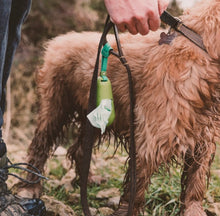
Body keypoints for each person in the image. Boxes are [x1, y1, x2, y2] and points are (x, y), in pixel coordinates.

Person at [0, 0, 168, 215]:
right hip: (64, 56)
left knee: (10, 22)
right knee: (48, 125)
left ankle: (81, 171)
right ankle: (30, 179)